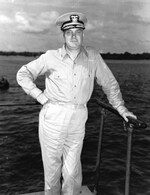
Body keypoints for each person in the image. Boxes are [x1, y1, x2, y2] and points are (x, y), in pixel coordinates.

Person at [16, 12, 137, 195]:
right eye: (69, 32)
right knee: (52, 171)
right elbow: (23, 74)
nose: (74, 35)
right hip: (53, 117)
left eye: (78, 31)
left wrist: (121, 109)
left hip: (78, 117)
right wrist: (41, 97)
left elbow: (110, 84)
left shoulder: (93, 57)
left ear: (83, 34)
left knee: (73, 172)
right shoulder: (50, 56)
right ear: (63, 35)